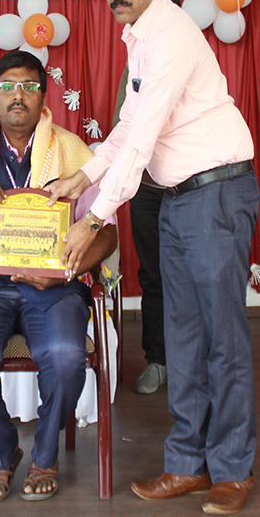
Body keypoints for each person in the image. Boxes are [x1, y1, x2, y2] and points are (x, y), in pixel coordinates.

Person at [46, 0, 259, 515]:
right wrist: (82, 176)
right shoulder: (140, 36)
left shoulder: (169, 36)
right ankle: (187, 464)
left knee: (222, 338)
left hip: (215, 193)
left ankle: (232, 469)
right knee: (183, 337)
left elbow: (140, 143)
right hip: (176, 198)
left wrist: (93, 218)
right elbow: (128, 124)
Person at [0, 50, 117, 503]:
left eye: (29, 86)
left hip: (55, 289)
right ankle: (1, 452)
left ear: (44, 96)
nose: (18, 95)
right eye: (7, 86)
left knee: (66, 356)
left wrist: (68, 269)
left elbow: (106, 235)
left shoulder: (71, 152)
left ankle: (45, 456)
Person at [112, 65, 167, 395]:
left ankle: (196, 363)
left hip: (189, 188)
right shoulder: (135, 64)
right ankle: (158, 361)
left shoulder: (188, 56)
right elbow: (123, 122)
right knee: (152, 274)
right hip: (146, 187)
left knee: (193, 277)